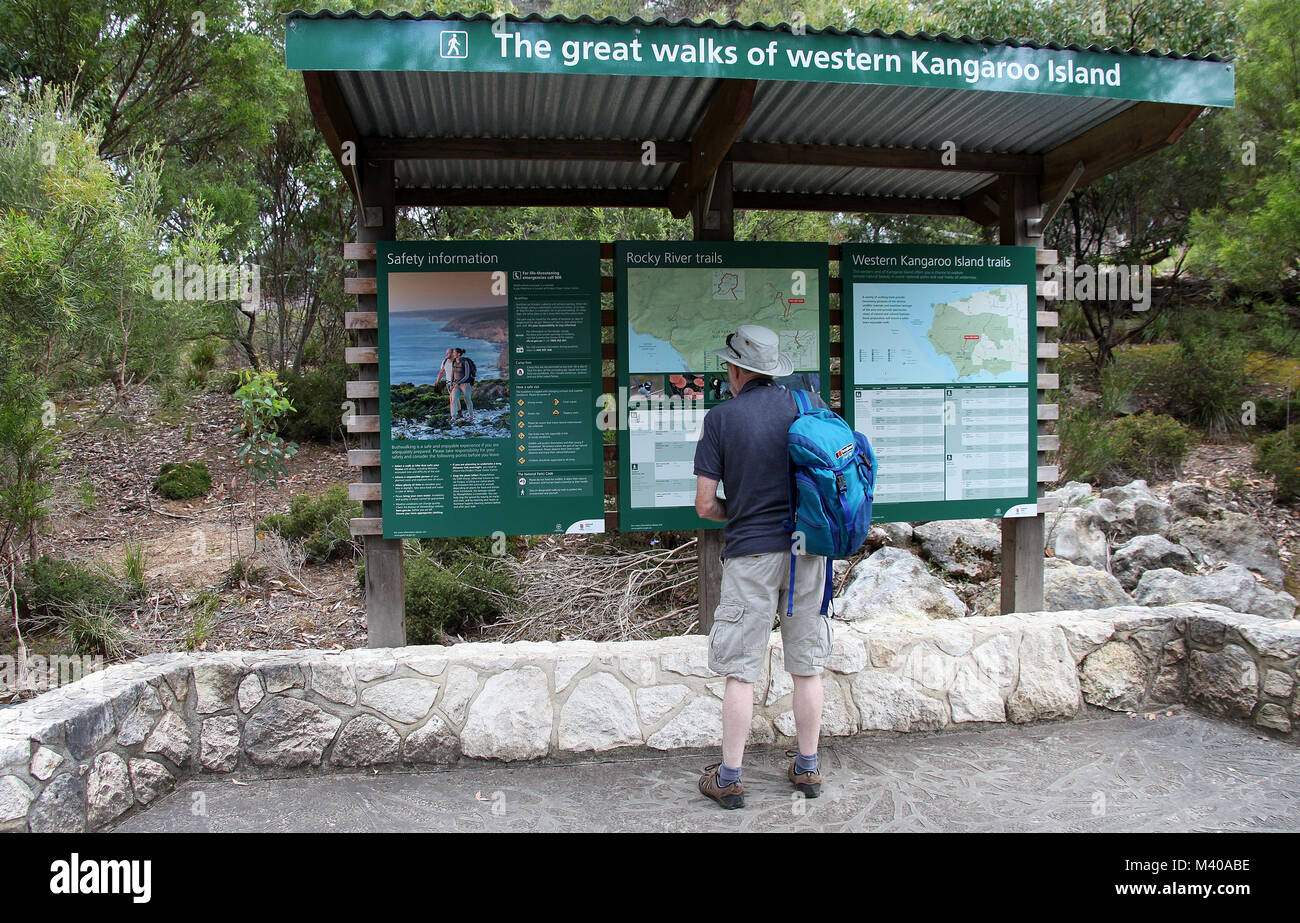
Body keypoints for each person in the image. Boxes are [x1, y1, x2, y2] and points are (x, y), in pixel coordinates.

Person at [692, 324, 833, 810]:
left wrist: (745, 510)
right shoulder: (807, 409)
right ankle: (808, 769)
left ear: (735, 370)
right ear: (772, 370)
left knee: (741, 671)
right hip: (807, 554)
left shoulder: (722, 419)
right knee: (807, 667)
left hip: (751, 554)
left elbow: (706, 506)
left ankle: (730, 778)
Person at [452, 347, 476, 419]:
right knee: (454, 399)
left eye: (454, 352)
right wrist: (451, 383)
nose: (453, 354)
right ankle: (453, 417)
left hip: (465, 384)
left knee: (467, 399)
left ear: (458, 354)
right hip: (455, 384)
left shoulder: (465, 362)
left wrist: (459, 383)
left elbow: (467, 375)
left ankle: (471, 415)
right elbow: (452, 374)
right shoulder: (454, 361)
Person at [434, 348, 456, 413]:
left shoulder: (456, 362)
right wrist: (437, 381)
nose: (446, 354)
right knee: (452, 399)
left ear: (452, 354)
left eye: (448, 353)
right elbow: (441, 372)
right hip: (448, 383)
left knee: (453, 398)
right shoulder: (444, 362)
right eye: (446, 353)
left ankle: (454, 414)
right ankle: (458, 413)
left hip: (456, 383)